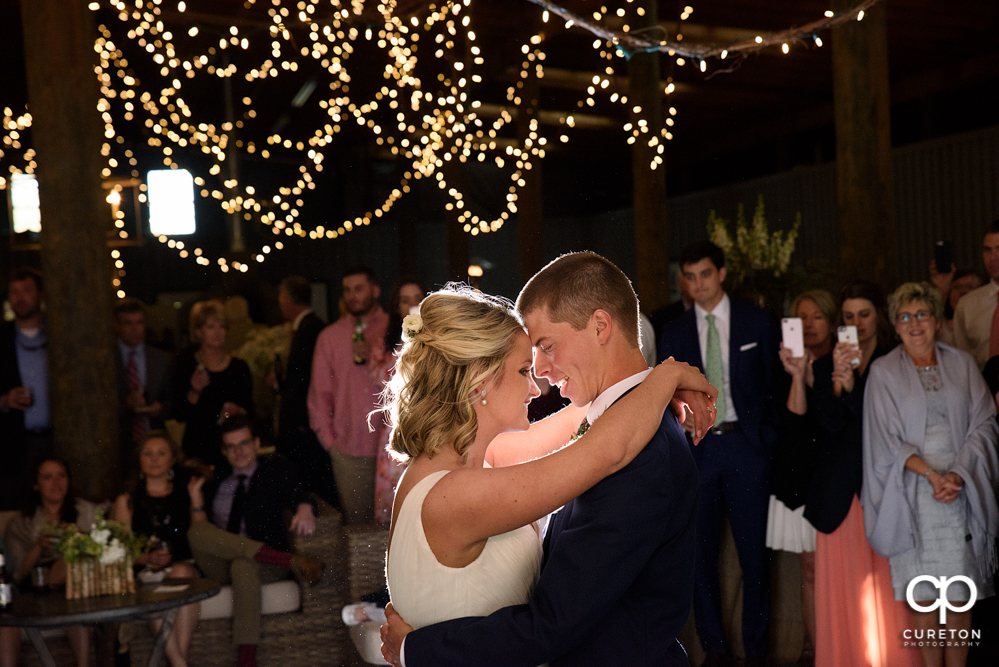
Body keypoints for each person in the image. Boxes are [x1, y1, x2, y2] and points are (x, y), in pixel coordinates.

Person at [382, 252, 715, 667]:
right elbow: (603, 446)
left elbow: (596, 430)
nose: (538, 379)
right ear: (478, 383)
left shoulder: (640, 448)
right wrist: (664, 377)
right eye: (525, 367)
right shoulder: (460, 488)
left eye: (545, 346)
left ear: (599, 326)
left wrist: (654, 384)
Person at [863, 282, 998, 667]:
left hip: (960, 488)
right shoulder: (883, 372)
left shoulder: (962, 364)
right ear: (896, 325)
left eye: (922, 314)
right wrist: (932, 476)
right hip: (912, 494)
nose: (914, 323)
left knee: (959, 597)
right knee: (924, 600)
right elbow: (884, 438)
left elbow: (985, 423)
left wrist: (956, 474)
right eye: (905, 317)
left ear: (937, 321)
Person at [658, 241, 778, 667]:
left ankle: (758, 650)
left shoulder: (757, 322)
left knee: (754, 556)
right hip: (699, 450)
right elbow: (665, 397)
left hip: (746, 447)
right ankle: (716, 651)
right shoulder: (673, 331)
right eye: (689, 277)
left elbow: (773, 386)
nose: (697, 284)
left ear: (722, 274)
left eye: (705, 274)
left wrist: (763, 439)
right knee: (700, 554)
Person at [808, 280, 917, 667]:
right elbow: (829, 425)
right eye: (850, 316)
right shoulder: (825, 365)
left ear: (879, 316)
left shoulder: (898, 360)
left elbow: (883, 429)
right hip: (840, 492)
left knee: (889, 586)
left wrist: (853, 389)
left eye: (865, 314)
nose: (858, 322)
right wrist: (840, 383)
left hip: (886, 488)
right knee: (845, 589)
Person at [186, 415, 323, 667]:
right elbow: (203, 536)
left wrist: (304, 507)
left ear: (256, 443)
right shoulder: (215, 481)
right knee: (196, 533)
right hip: (221, 564)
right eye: (231, 446)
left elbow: (300, 493)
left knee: (243, 566)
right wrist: (196, 498)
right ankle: (292, 561)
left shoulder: (273, 472)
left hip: (266, 568)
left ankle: (246, 663)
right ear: (224, 451)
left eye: (244, 443)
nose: (239, 452)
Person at [766, 289, 837, 661]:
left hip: (837, 476)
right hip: (799, 474)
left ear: (831, 321)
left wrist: (816, 378)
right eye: (801, 318)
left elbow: (839, 419)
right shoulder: (782, 364)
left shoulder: (844, 362)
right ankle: (815, 647)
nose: (809, 325)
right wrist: (798, 376)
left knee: (840, 566)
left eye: (817, 317)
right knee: (809, 568)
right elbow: (793, 422)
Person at [112, 431, 200, 667]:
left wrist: (197, 498)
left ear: (172, 459)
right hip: (146, 572)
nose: (154, 459)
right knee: (154, 586)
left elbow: (201, 537)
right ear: (139, 460)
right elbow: (119, 553)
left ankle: (177, 661)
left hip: (184, 568)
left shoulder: (185, 492)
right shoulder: (127, 500)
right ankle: (180, 662)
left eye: (161, 453)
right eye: (147, 453)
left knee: (180, 573)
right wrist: (148, 557)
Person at [308, 266, 389, 524]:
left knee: (397, 528)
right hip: (349, 451)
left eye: (359, 288)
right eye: (347, 290)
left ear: (375, 290)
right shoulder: (329, 338)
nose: (352, 295)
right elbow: (319, 395)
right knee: (359, 531)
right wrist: (331, 444)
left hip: (394, 447)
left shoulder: (393, 327)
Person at [1, 458, 97, 667]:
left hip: (76, 589)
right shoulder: (20, 525)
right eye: (48, 477)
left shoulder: (85, 512)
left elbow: (102, 551)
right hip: (36, 591)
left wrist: (81, 542)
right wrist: (38, 546)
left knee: (73, 597)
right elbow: (17, 573)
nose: (56, 482)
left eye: (61, 475)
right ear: (36, 485)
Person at [273, 276, 338, 509]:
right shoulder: (307, 327)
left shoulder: (311, 329)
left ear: (287, 299)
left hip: (305, 425)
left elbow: (310, 383)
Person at [173, 300, 254, 468]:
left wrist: (237, 411)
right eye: (211, 327)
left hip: (231, 449)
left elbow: (250, 411)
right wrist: (195, 390)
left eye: (222, 327)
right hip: (197, 451)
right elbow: (178, 413)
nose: (218, 332)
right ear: (198, 332)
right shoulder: (186, 366)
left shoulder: (239, 367)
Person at [374, 278, 427, 523]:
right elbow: (381, 382)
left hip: (428, 424)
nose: (412, 305)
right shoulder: (386, 343)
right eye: (405, 300)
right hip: (396, 426)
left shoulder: (436, 339)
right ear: (397, 306)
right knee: (394, 504)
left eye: (417, 298)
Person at [0, 269, 51, 510]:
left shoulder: (58, 334)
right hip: (13, 444)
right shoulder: (1, 338)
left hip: (56, 439)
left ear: (40, 294)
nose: (20, 298)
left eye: (27, 291)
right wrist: (4, 401)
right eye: (14, 292)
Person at [114, 298, 173, 472]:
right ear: (117, 325)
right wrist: (125, 404)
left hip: (152, 438)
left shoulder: (161, 360)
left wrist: (159, 408)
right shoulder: (107, 360)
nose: (134, 329)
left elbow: (173, 402)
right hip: (119, 443)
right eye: (128, 323)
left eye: (139, 323)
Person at [954, 220, 999, 369]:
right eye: (988, 250)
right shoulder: (967, 305)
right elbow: (960, 361)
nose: (993, 257)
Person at [929, 262, 983, 346]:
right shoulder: (940, 325)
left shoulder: (988, 321)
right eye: (957, 287)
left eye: (970, 287)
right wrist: (942, 288)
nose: (962, 292)